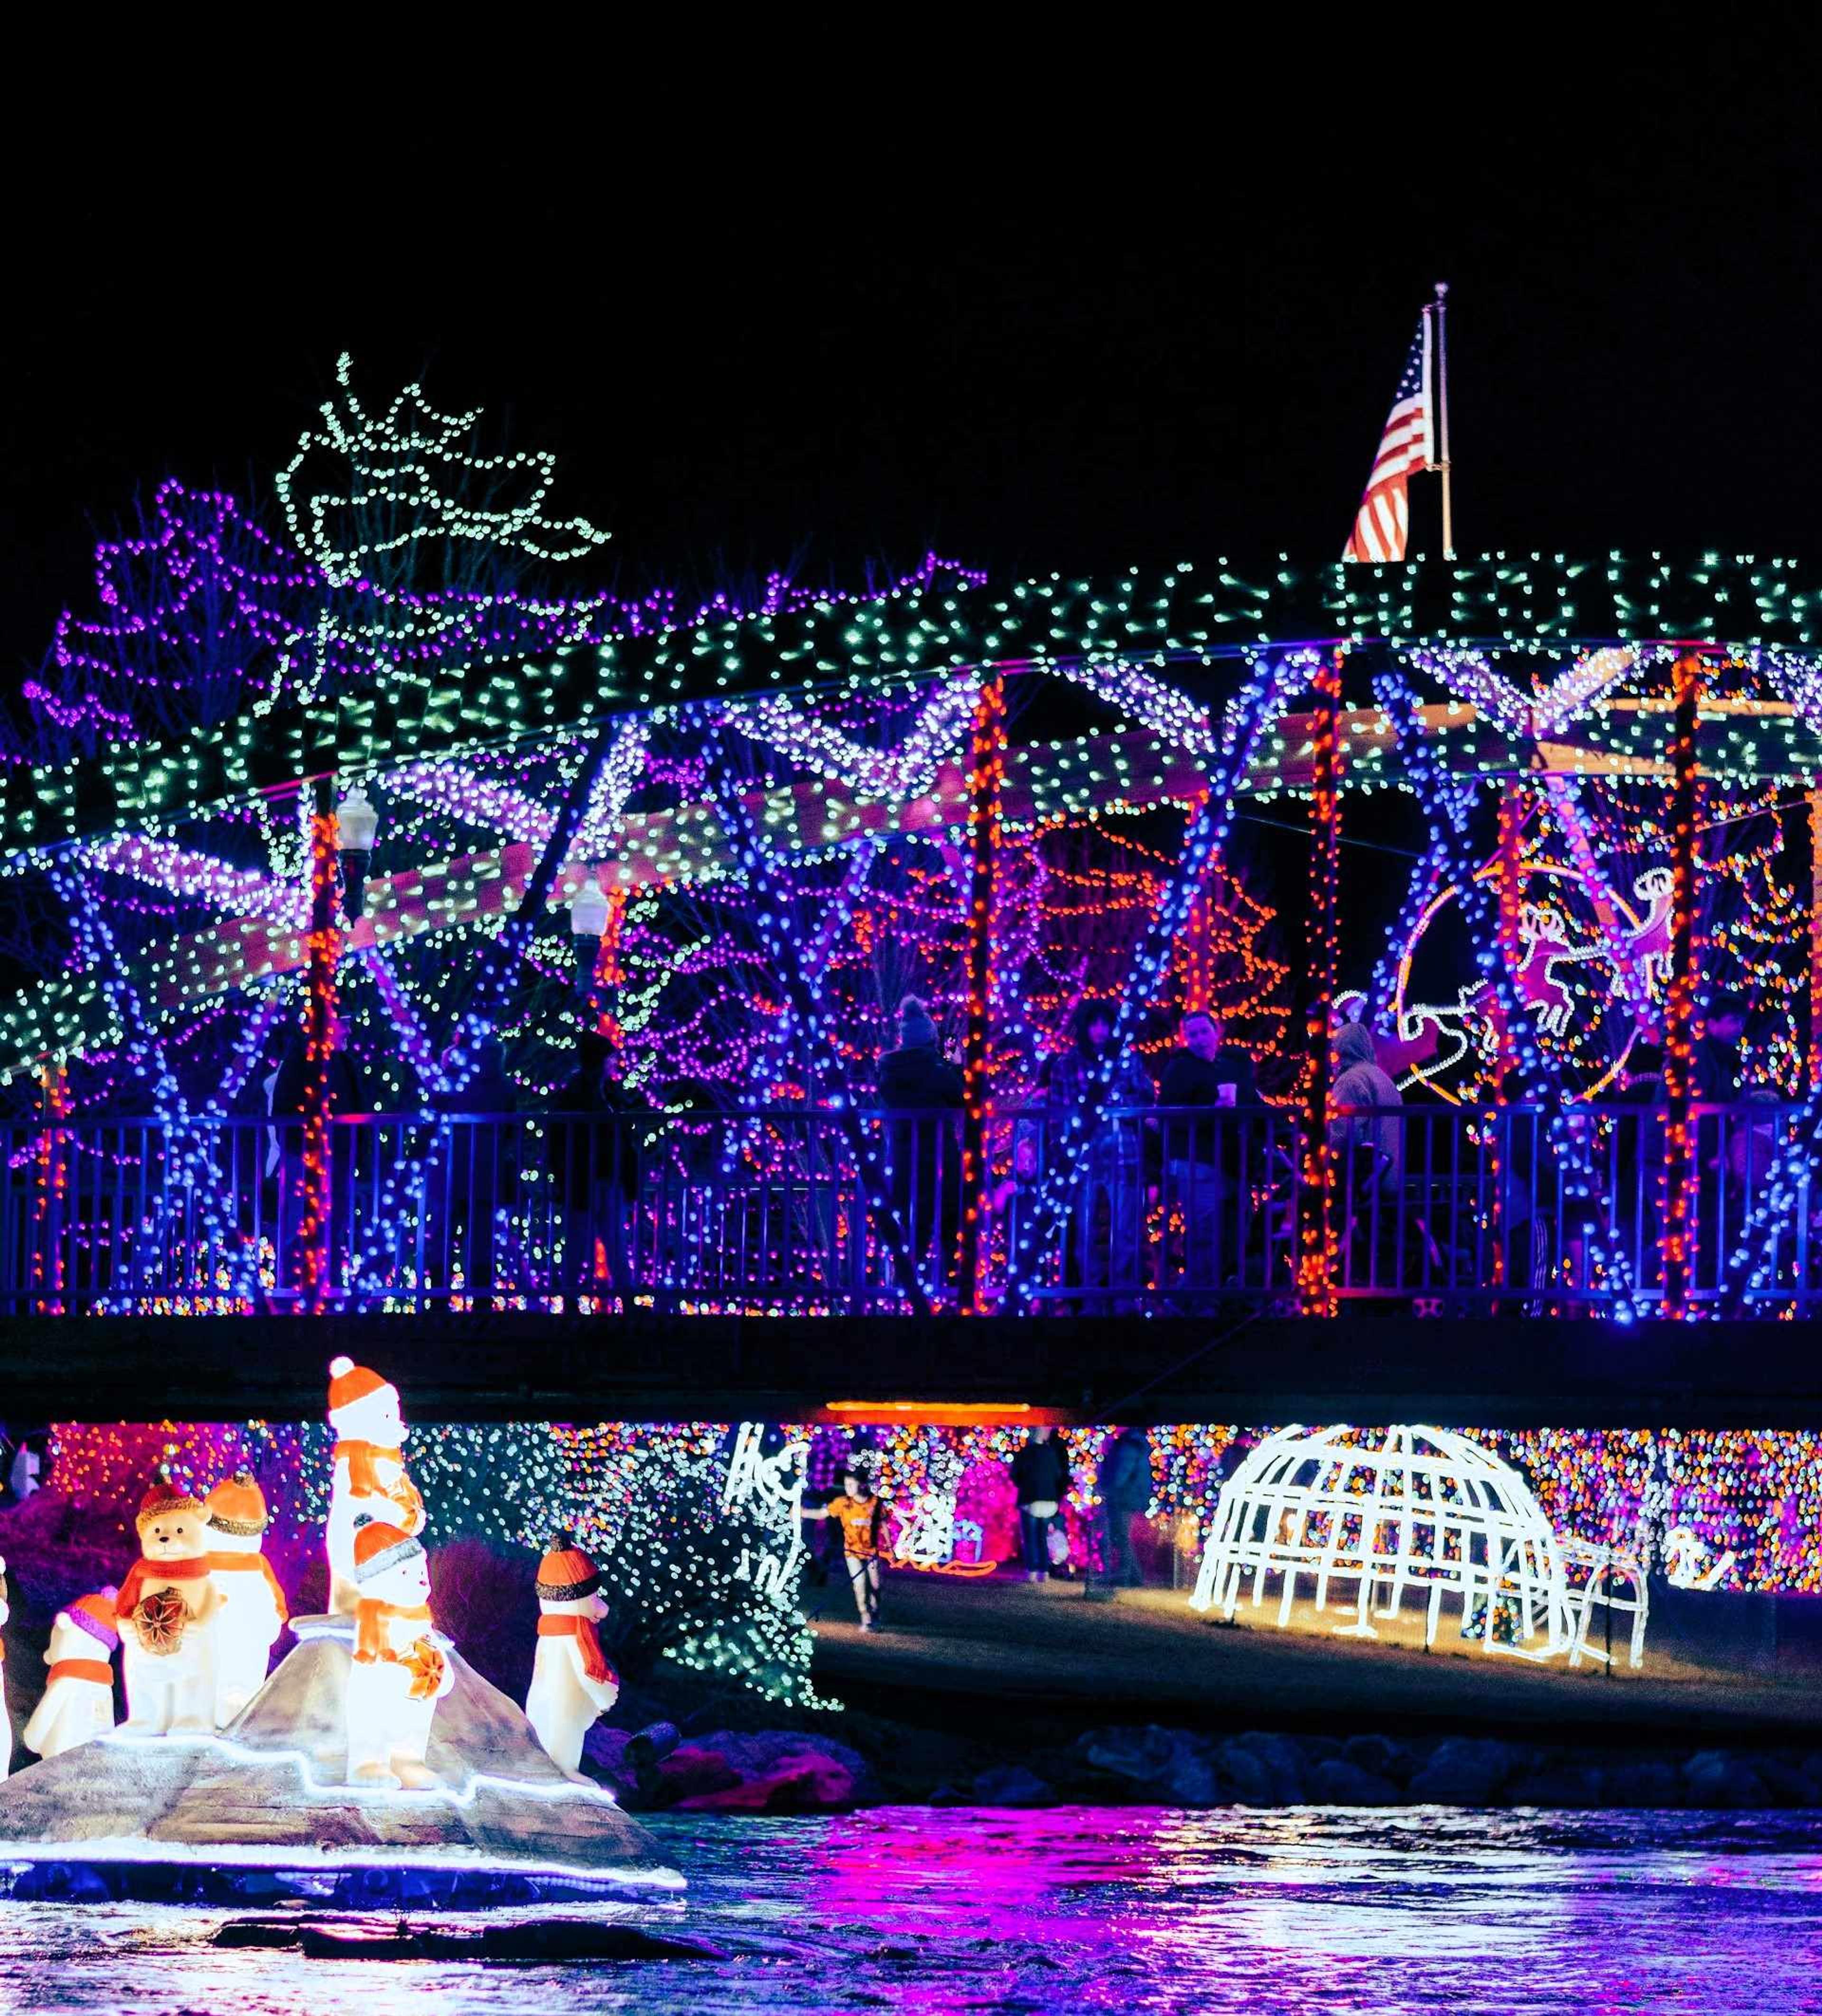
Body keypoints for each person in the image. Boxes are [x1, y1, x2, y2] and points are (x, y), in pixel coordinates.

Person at [1044, 1002, 1153, 1305]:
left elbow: (1145, 1096)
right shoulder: (1067, 1065)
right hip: (1084, 1154)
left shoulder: (1128, 1060)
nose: (1101, 1031)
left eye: (1106, 1024)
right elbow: (1057, 1112)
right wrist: (1062, 1149)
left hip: (1123, 1150)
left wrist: (1117, 1102)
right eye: (1094, 1024)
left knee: (1127, 1227)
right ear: (1085, 1027)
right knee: (1085, 1228)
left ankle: (1123, 1297)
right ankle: (1090, 1296)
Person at [1153, 1011, 1261, 1292]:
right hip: (1196, 1160)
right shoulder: (1180, 1069)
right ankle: (1195, 1299)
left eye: (1204, 1031)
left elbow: (1253, 1101)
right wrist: (1209, 1113)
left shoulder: (1230, 1067)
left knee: (1233, 1232)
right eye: (1193, 1034)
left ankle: (1215, 1293)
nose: (1199, 1039)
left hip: (1231, 1161)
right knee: (1205, 1233)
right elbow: (1166, 1112)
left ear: (1217, 1032)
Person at [548, 1029, 648, 1306]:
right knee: (591, 1239)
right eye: (609, 1059)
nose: (613, 1065)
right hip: (587, 1177)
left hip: (602, 1176)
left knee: (606, 1239)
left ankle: (613, 1299)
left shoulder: (599, 1094)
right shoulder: (583, 1096)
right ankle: (580, 1299)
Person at [270, 1010, 364, 1300]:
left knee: (333, 1225)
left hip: (336, 1157)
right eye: (344, 1024)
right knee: (298, 1225)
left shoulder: (343, 1063)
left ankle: (328, 1289)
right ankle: (292, 1291)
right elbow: (283, 1111)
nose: (348, 1032)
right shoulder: (301, 1060)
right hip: (305, 1156)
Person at [875, 996, 966, 1289]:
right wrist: (955, 1065)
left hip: (904, 1157)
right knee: (948, 1221)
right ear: (929, 1039)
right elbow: (960, 1096)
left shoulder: (890, 1071)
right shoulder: (936, 1069)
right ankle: (946, 1288)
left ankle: (906, 1289)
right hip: (940, 1158)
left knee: (911, 1230)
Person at [428, 1033, 516, 1303]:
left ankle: (439, 1295)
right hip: (487, 1168)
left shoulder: (455, 1082)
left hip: (451, 1167)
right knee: (482, 1235)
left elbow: (433, 1116)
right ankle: (481, 1297)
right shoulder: (504, 1086)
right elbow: (511, 1130)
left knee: (444, 1232)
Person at [805, 1466, 887, 1628]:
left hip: (871, 1552)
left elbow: (883, 1524)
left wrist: (889, 1546)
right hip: (852, 1551)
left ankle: (876, 1612)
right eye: (846, 1484)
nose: (848, 1488)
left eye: (851, 1485)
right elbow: (823, 1513)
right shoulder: (843, 1503)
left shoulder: (875, 1503)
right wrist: (803, 1513)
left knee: (876, 1585)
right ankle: (866, 1616)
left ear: (862, 1485)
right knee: (860, 1584)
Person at [1010, 1425, 1070, 1583]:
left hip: (1029, 1501)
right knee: (1043, 1539)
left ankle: (1032, 1571)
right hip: (1049, 1502)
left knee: (1030, 1539)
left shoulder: (1025, 1453)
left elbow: (1015, 1475)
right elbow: (1058, 1475)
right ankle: (1044, 1572)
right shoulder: (1050, 1453)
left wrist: (1026, 1484)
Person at [1096, 1427, 1153, 1589]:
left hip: (1124, 1498)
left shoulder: (1127, 1446)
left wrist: (1109, 1488)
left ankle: (1128, 1575)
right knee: (1123, 1537)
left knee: (1122, 1537)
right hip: (1131, 1497)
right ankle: (1132, 1576)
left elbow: (1121, 1474)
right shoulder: (1136, 1445)